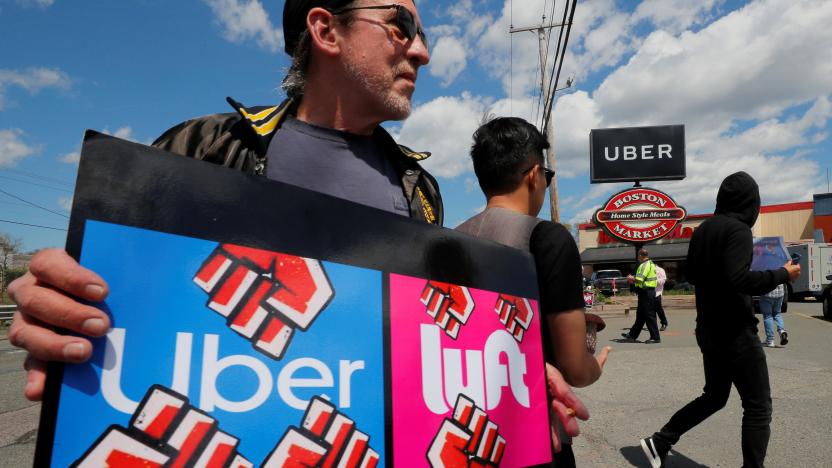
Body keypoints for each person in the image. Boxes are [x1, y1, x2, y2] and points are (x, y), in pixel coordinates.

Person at [8, 0, 442, 402]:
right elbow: (109, 283)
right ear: (326, 31)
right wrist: (58, 303)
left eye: (424, 35)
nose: (422, 52)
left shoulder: (420, 189)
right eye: (401, 26)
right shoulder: (206, 148)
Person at [455, 117, 611, 465]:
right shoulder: (548, 239)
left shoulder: (450, 241)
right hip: (535, 433)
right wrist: (595, 366)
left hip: (469, 432)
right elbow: (574, 369)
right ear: (533, 175)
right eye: (547, 177)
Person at [639, 172, 801, 468]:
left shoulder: (703, 231)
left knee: (714, 396)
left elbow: (696, 276)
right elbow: (738, 279)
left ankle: (660, 441)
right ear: (751, 202)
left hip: (709, 329)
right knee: (757, 407)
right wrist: (782, 274)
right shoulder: (738, 230)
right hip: (735, 332)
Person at [622, 249, 661, 343]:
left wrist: (631, 278)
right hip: (647, 292)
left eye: (638, 256)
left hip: (646, 293)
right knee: (641, 316)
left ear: (640, 255)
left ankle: (655, 337)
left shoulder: (644, 265)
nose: (638, 258)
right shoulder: (650, 264)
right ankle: (632, 335)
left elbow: (639, 279)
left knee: (649, 315)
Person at [655, 264, 669, 331]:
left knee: (658, 308)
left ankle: (664, 322)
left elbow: (663, 281)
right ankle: (653, 325)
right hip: (648, 292)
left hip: (657, 292)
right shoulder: (647, 269)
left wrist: (653, 281)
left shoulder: (660, 270)